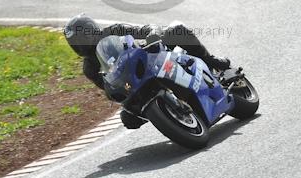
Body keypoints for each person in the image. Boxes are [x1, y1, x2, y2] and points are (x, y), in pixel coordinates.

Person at [64, 14, 231, 129]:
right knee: (128, 118)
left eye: (81, 37)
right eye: (75, 42)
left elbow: (144, 29)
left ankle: (211, 61)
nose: (80, 44)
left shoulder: (114, 30)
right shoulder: (89, 68)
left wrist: (152, 34)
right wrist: (115, 93)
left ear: (91, 29)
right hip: (135, 85)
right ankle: (166, 115)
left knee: (177, 29)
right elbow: (109, 89)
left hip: (151, 58)